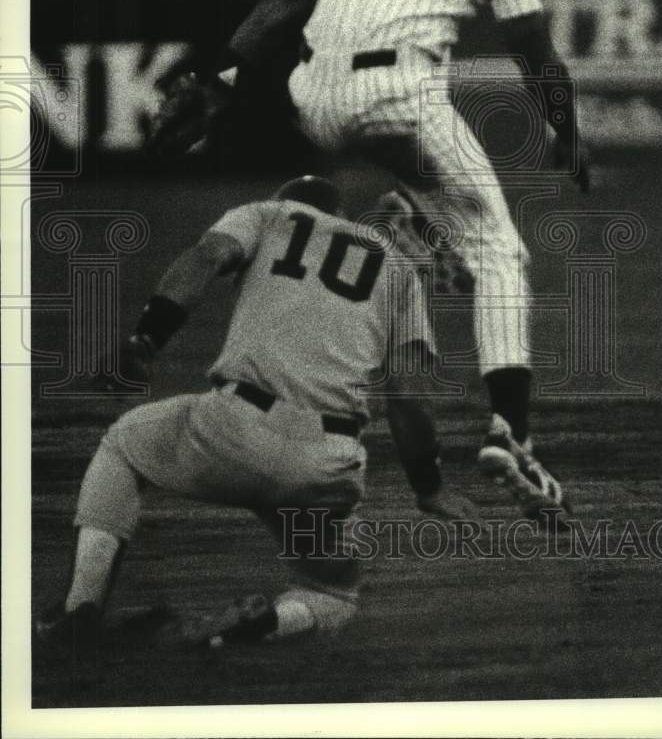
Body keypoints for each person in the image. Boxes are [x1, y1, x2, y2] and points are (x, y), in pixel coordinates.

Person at [146, 0, 589, 517]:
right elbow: (532, 50)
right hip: (400, 92)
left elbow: (286, 2)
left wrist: (223, 78)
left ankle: (404, 226)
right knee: (500, 249)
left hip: (313, 94)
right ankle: (513, 433)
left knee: (429, 190)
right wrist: (565, 129)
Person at [36, 175, 475, 653]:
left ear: (285, 203)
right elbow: (408, 395)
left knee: (124, 444)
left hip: (233, 430)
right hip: (327, 464)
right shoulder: (398, 268)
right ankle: (265, 623)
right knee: (332, 595)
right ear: (343, 217)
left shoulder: (269, 215)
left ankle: (80, 611)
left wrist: (148, 337)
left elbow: (207, 257)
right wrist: (430, 487)